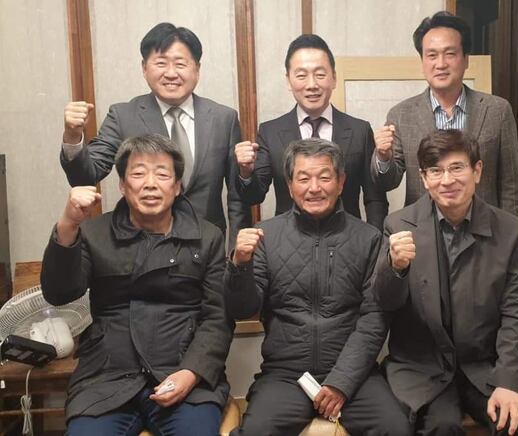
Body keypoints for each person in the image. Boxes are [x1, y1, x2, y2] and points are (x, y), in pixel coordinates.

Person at [41, 135, 233, 436]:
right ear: (122, 184)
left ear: (177, 186)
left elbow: (217, 318)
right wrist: (68, 225)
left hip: (181, 373)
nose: (150, 184)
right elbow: (58, 293)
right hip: (107, 378)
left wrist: (191, 373)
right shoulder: (94, 232)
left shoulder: (207, 237)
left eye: (162, 174)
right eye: (139, 173)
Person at [225, 139, 409, 435]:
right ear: (289, 185)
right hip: (285, 376)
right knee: (256, 430)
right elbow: (242, 309)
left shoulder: (369, 239)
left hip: (355, 376)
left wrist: (341, 383)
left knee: (396, 428)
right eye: (303, 178)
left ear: (341, 182)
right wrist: (240, 264)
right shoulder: (265, 236)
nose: (314, 188)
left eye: (324, 177)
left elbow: (374, 320)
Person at [374, 130, 518, 435]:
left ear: (477, 171)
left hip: (486, 366)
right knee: (443, 427)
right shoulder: (399, 225)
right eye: (435, 171)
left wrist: (508, 381)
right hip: (423, 369)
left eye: (456, 168)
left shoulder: (509, 231)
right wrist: (395, 267)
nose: (447, 180)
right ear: (424, 178)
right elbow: (384, 302)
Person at [60, 22, 250, 247]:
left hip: (205, 246)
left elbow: (237, 198)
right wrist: (73, 137)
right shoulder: (123, 116)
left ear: (197, 69)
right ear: (144, 68)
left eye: (180, 64)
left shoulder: (223, 118)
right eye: (161, 63)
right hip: (141, 246)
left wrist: (235, 252)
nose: (171, 73)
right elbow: (85, 177)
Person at [372, 11, 518, 218]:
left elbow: (510, 186)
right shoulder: (401, 114)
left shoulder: (497, 110)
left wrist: (511, 233)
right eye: (432, 55)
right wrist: (383, 157)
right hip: (424, 228)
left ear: (466, 59)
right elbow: (387, 182)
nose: (441, 64)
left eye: (450, 54)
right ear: (423, 62)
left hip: (484, 230)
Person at [235, 34, 388, 230]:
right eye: (301, 76)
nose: (312, 85)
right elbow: (254, 196)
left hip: (347, 239)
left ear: (334, 78)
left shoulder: (360, 130)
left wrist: (374, 239)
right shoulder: (270, 132)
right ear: (289, 81)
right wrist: (245, 172)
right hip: (288, 240)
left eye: (320, 74)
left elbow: (375, 198)